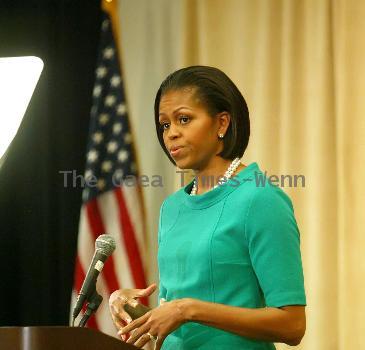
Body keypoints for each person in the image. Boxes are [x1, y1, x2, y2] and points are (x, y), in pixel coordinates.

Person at [109, 66, 307, 350]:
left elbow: (292, 325)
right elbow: (177, 314)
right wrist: (134, 308)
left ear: (222, 123)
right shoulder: (173, 207)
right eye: (165, 124)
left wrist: (188, 310)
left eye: (184, 119)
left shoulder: (260, 199)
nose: (171, 134)